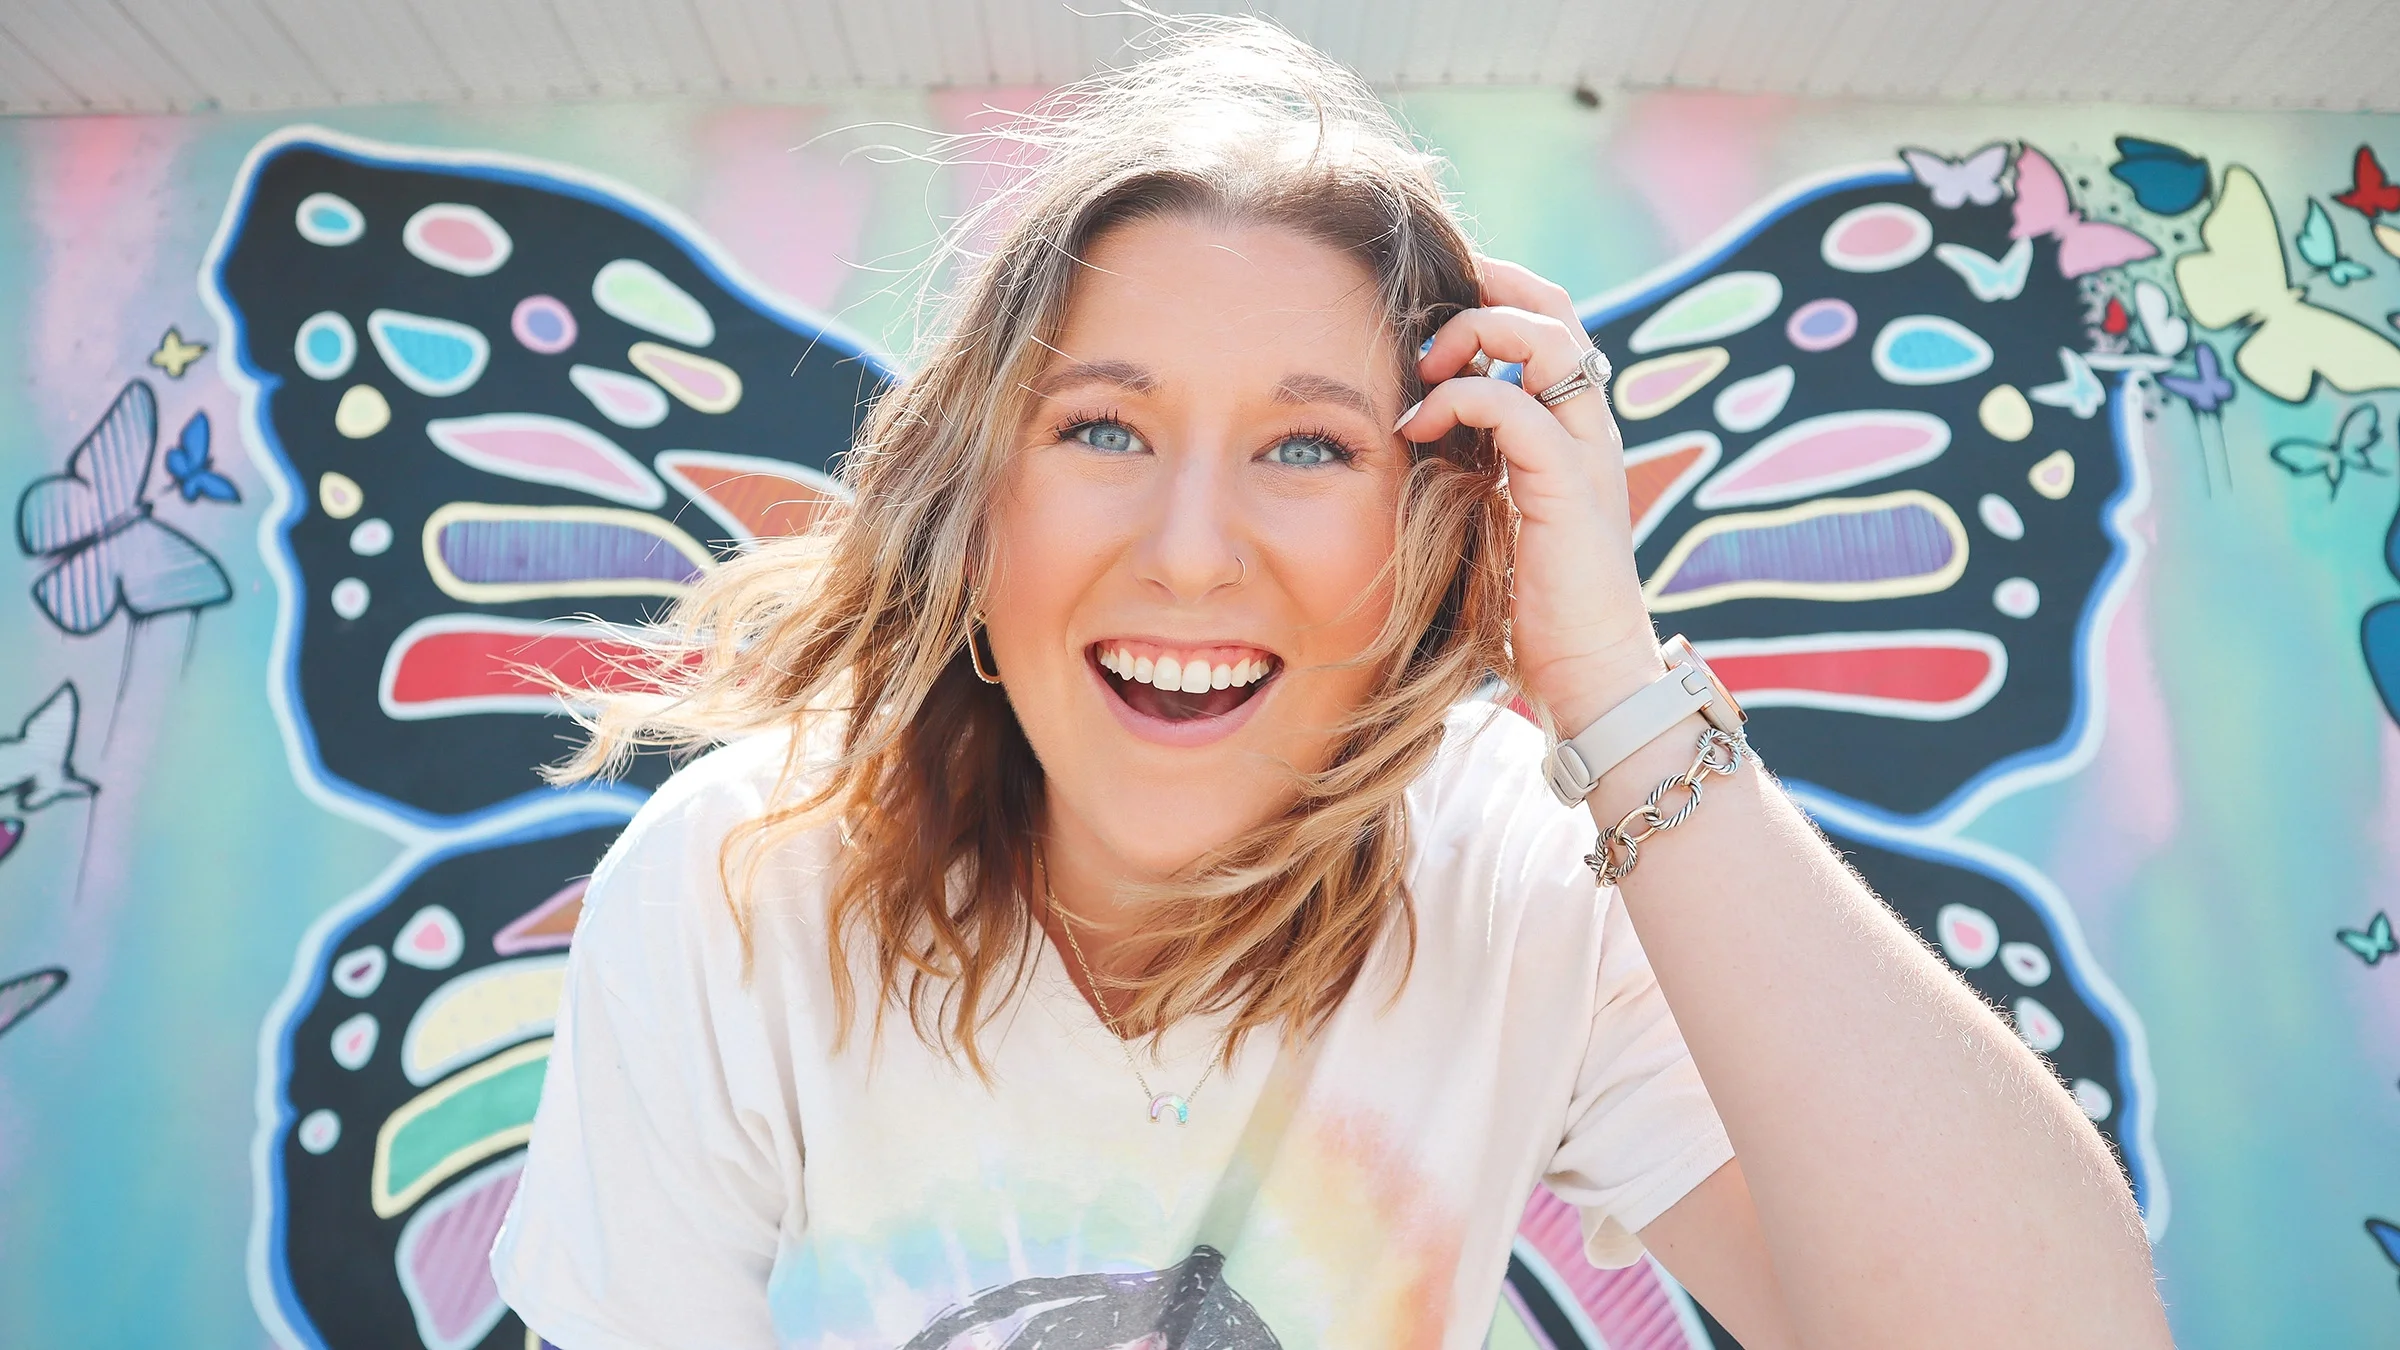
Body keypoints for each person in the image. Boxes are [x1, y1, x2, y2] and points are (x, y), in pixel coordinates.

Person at [491, 19, 2172, 1350]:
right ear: (973, 516)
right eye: (1102, 428)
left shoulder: (1522, 876)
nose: (1193, 550)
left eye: (1308, 443)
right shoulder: (739, 893)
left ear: (1432, 538)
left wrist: (1609, 685)